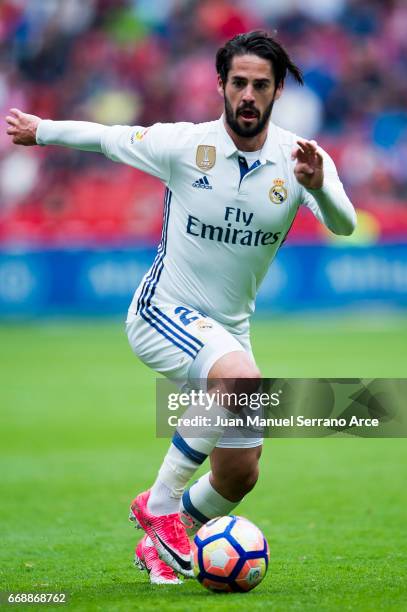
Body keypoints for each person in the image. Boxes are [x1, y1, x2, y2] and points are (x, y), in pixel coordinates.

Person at [6, 30, 356, 585]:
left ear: (277, 91)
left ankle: (160, 543)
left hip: (230, 333)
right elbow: (108, 137)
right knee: (241, 377)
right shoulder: (185, 144)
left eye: (259, 85)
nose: (247, 94)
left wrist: (321, 186)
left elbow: (345, 224)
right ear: (221, 84)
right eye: (238, 82)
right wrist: (41, 131)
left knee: (240, 474)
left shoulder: (301, 160)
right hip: (160, 311)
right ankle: (161, 506)